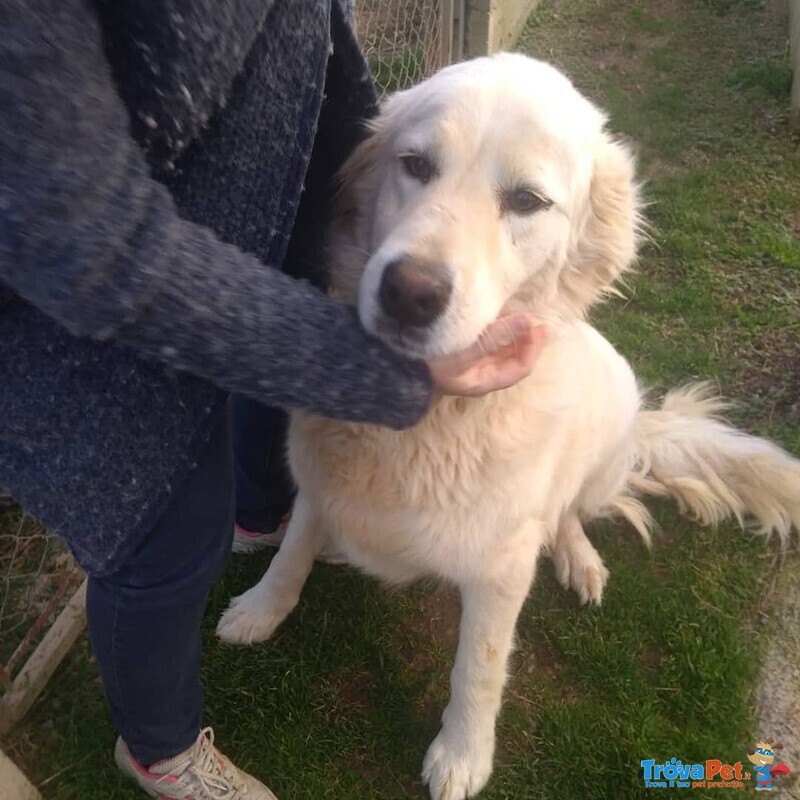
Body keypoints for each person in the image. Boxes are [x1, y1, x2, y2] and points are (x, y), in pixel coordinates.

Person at [0, 1, 546, 798]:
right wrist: (377, 369)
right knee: (160, 538)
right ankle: (158, 748)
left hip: (249, 259)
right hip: (63, 326)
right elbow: (80, 238)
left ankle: (258, 521)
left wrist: (346, 226)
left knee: (265, 426)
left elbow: (308, 42)